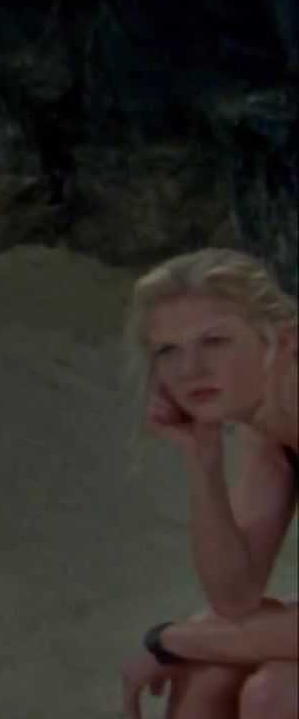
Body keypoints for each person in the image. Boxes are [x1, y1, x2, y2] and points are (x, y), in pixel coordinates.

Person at [117, 248, 299, 718]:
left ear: (283, 340)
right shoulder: (269, 430)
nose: (190, 370)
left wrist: (168, 640)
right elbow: (236, 598)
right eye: (168, 351)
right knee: (208, 670)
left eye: (215, 342)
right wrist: (202, 457)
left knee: (275, 694)